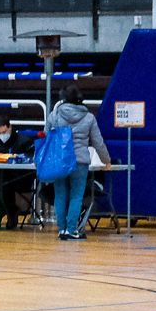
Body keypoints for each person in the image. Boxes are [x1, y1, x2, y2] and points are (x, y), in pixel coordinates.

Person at [47, 84, 110, 240]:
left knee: (60, 194)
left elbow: (47, 137)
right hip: (80, 161)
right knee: (76, 196)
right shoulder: (89, 117)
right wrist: (106, 160)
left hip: (60, 160)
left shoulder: (54, 115)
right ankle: (71, 230)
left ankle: (61, 230)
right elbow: (98, 142)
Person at [0, 114, 33, 229]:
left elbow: (30, 160)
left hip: (21, 177)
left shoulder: (24, 141)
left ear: (10, 127)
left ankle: (11, 212)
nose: (2, 136)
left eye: (4, 132)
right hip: (1, 175)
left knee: (4, 184)